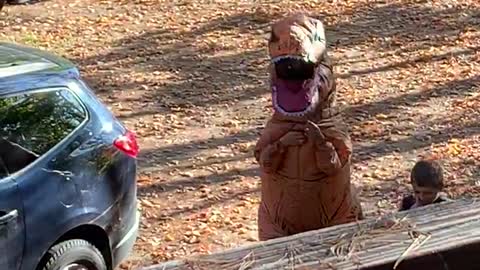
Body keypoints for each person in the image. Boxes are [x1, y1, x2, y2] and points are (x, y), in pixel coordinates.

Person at [254, 13, 363, 241]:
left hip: (332, 217)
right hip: (279, 222)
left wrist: (320, 142)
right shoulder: (277, 127)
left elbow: (334, 165)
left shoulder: (331, 127)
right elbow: (266, 162)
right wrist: (282, 144)